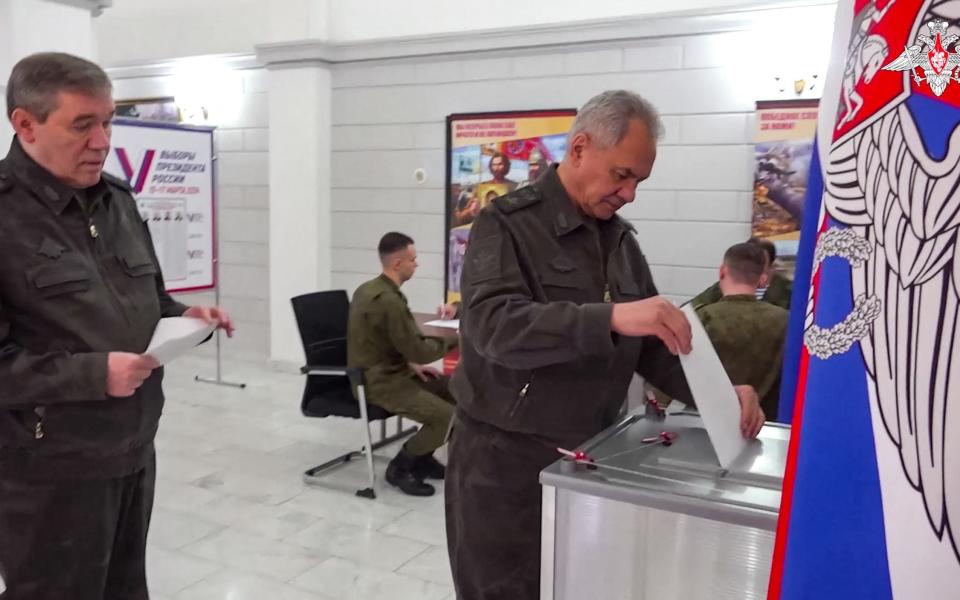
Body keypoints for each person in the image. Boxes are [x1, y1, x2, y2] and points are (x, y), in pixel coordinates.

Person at [445, 89, 765, 600]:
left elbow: (658, 342)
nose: (631, 193)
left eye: (639, 180)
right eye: (622, 175)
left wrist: (725, 396)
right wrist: (612, 316)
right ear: (579, 149)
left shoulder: (620, 241)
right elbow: (492, 327)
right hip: (502, 465)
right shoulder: (505, 223)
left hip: (587, 458)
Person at [0, 52, 233, 599]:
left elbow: (148, 299)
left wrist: (182, 317)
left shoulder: (117, 202)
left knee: (125, 589)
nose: (103, 140)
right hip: (47, 465)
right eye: (83, 125)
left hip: (132, 445)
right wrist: (94, 375)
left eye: (107, 122)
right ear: (25, 124)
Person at [347, 232, 460, 497]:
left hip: (391, 372)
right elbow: (419, 349)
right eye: (413, 259)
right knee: (448, 416)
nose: (416, 264)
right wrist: (456, 340)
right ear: (397, 263)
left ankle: (424, 457)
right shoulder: (388, 300)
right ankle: (400, 468)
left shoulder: (370, 289)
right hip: (380, 384)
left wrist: (411, 365)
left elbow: (384, 343)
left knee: (454, 390)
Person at [697, 243, 789, 417]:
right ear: (762, 279)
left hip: (710, 421)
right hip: (766, 423)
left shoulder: (702, 318)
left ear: (722, 272)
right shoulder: (786, 320)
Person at [688, 237, 793, 310]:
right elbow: (690, 310)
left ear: (772, 266)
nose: (753, 266)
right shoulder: (725, 286)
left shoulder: (789, 292)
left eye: (760, 262)